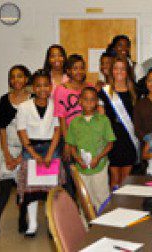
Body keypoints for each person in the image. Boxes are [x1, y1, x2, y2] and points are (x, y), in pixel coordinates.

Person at [16, 70, 63, 237]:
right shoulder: (24, 107)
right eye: (38, 85)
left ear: (50, 87)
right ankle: (33, 224)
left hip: (51, 148)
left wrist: (50, 153)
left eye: (46, 85)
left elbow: (58, 130)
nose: (42, 88)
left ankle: (52, 223)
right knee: (32, 190)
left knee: (51, 189)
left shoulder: (55, 104)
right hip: (31, 149)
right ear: (33, 88)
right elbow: (21, 131)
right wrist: (34, 154)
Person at [0, 65, 31, 236]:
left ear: (26, 79)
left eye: (20, 76)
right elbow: (1, 129)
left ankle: (23, 220)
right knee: (5, 187)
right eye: (13, 76)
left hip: (27, 151)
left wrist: (21, 157)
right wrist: (7, 155)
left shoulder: (33, 100)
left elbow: (35, 132)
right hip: (9, 150)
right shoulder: (3, 100)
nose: (16, 80)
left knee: (23, 189)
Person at [66, 87, 115, 209]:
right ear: (80, 101)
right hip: (81, 167)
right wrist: (77, 158)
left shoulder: (104, 121)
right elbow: (71, 144)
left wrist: (98, 158)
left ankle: (103, 225)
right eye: (85, 99)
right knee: (85, 198)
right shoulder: (74, 122)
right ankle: (86, 225)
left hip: (99, 165)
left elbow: (110, 143)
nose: (89, 102)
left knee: (101, 197)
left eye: (92, 99)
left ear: (97, 102)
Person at [53, 54, 92, 198]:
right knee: (71, 177)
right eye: (75, 68)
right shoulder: (61, 90)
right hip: (70, 137)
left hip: (89, 138)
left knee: (86, 175)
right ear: (68, 71)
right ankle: (72, 211)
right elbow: (61, 117)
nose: (79, 71)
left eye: (82, 68)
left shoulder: (89, 87)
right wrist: (68, 142)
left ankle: (87, 210)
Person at [98, 58, 139, 188]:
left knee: (127, 180)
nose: (119, 71)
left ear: (128, 72)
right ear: (111, 71)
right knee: (114, 179)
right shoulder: (106, 91)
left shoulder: (135, 91)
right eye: (116, 68)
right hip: (112, 139)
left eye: (123, 68)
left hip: (129, 139)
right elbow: (101, 117)